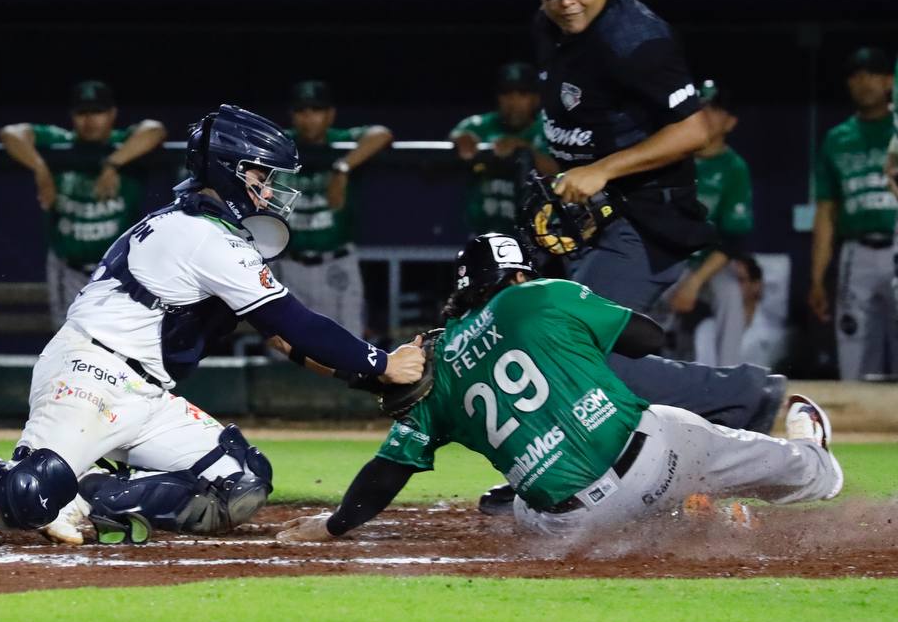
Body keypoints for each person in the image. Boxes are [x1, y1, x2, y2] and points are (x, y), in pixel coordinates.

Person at [0, 105, 426, 545]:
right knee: (28, 497)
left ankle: (84, 498)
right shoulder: (201, 234)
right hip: (94, 371)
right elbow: (292, 319)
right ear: (228, 170)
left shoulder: (206, 232)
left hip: (146, 394)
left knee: (239, 481)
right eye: (260, 175)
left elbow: (279, 337)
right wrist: (378, 363)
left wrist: (360, 380)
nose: (269, 189)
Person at [276, 232, 843, 542]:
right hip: (660, 457)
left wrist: (335, 524)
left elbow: (389, 470)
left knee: (513, 505)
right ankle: (815, 467)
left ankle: (691, 518)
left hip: (574, 525)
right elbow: (646, 337)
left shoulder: (435, 359)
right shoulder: (541, 293)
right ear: (520, 274)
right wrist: (573, 321)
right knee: (724, 443)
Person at [523, 0, 781, 440]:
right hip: (591, 218)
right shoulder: (548, 25)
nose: (567, 1)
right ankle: (568, 466)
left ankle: (743, 394)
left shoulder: (635, 38)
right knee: (575, 351)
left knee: (565, 342)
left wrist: (602, 170)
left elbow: (695, 129)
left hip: (645, 219)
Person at [0, 80, 167, 330]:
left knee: (122, 342)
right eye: (82, 113)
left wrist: (113, 163)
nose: (90, 120)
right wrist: (40, 167)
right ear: (72, 116)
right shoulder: (59, 144)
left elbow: (156, 129)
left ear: (112, 114)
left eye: (97, 112)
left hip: (120, 269)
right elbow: (10, 133)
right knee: (71, 342)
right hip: (69, 268)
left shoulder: (125, 144)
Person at [809, 46, 897, 380]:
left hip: (897, 245)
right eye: (856, 76)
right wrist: (817, 279)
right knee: (854, 353)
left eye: (873, 74)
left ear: (890, 81)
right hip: (855, 253)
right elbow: (826, 212)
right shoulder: (837, 138)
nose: (864, 83)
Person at [280, 81, 393, 339]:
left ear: (330, 114)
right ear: (293, 115)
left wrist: (342, 167)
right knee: (286, 353)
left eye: (316, 110)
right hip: (289, 265)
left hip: (336, 263)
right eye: (302, 111)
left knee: (349, 349)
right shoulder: (280, 143)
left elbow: (382, 133)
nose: (308, 118)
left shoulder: (340, 142)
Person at [664, 80, 753, 366]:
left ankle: (730, 376)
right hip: (664, 260)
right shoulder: (670, 157)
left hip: (707, 266)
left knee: (729, 292)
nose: (704, 112)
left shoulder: (734, 167)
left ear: (730, 122)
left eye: (714, 108)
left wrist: (694, 282)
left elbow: (734, 239)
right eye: (701, 105)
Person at [450, 61, 558, 237]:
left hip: (537, 235)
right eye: (507, 93)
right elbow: (461, 133)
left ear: (536, 98)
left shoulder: (547, 128)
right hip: (486, 232)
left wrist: (524, 150)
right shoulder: (483, 125)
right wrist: (461, 140)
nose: (514, 102)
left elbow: (560, 173)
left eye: (522, 93)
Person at [694, 253, 790, 369]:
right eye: (726, 281)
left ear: (756, 285)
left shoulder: (776, 332)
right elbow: (705, 374)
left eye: (739, 280)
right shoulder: (707, 330)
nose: (731, 287)